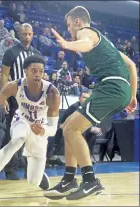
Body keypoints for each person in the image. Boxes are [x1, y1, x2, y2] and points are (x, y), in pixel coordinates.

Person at [44, 6, 137, 200]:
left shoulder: (86, 33)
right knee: (68, 125)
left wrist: (68, 45)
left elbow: (85, 43)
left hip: (110, 87)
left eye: (69, 26)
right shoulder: (106, 44)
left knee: (71, 129)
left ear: (77, 21)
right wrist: (132, 95)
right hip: (118, 89)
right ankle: (69, 178)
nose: (69, 30)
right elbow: (131, 65)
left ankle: (90, 180)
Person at [0, 55, 60, 199]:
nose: (37, 74)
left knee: (33, 180)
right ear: (25, 71)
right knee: (17, 139)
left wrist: (43, 130)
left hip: (40, 128)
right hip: (21, 120)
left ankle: (39, 176)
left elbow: (53, 129)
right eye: (34, 70)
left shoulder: (52, 93)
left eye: (41, 71)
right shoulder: (14, 86)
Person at [1, 23, 40, 180]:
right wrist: (3, 97)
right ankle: (10, 170)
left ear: (33, 34)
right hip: (15, 99)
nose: (27, 37)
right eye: (24, 34)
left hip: (33, 101)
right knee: (14, 135)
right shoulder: (11, 52)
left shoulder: (36, 54)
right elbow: (4, 76)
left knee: (32, 135)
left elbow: (40, 78)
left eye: (29, 34)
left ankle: (29, 170)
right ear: (19, 35)